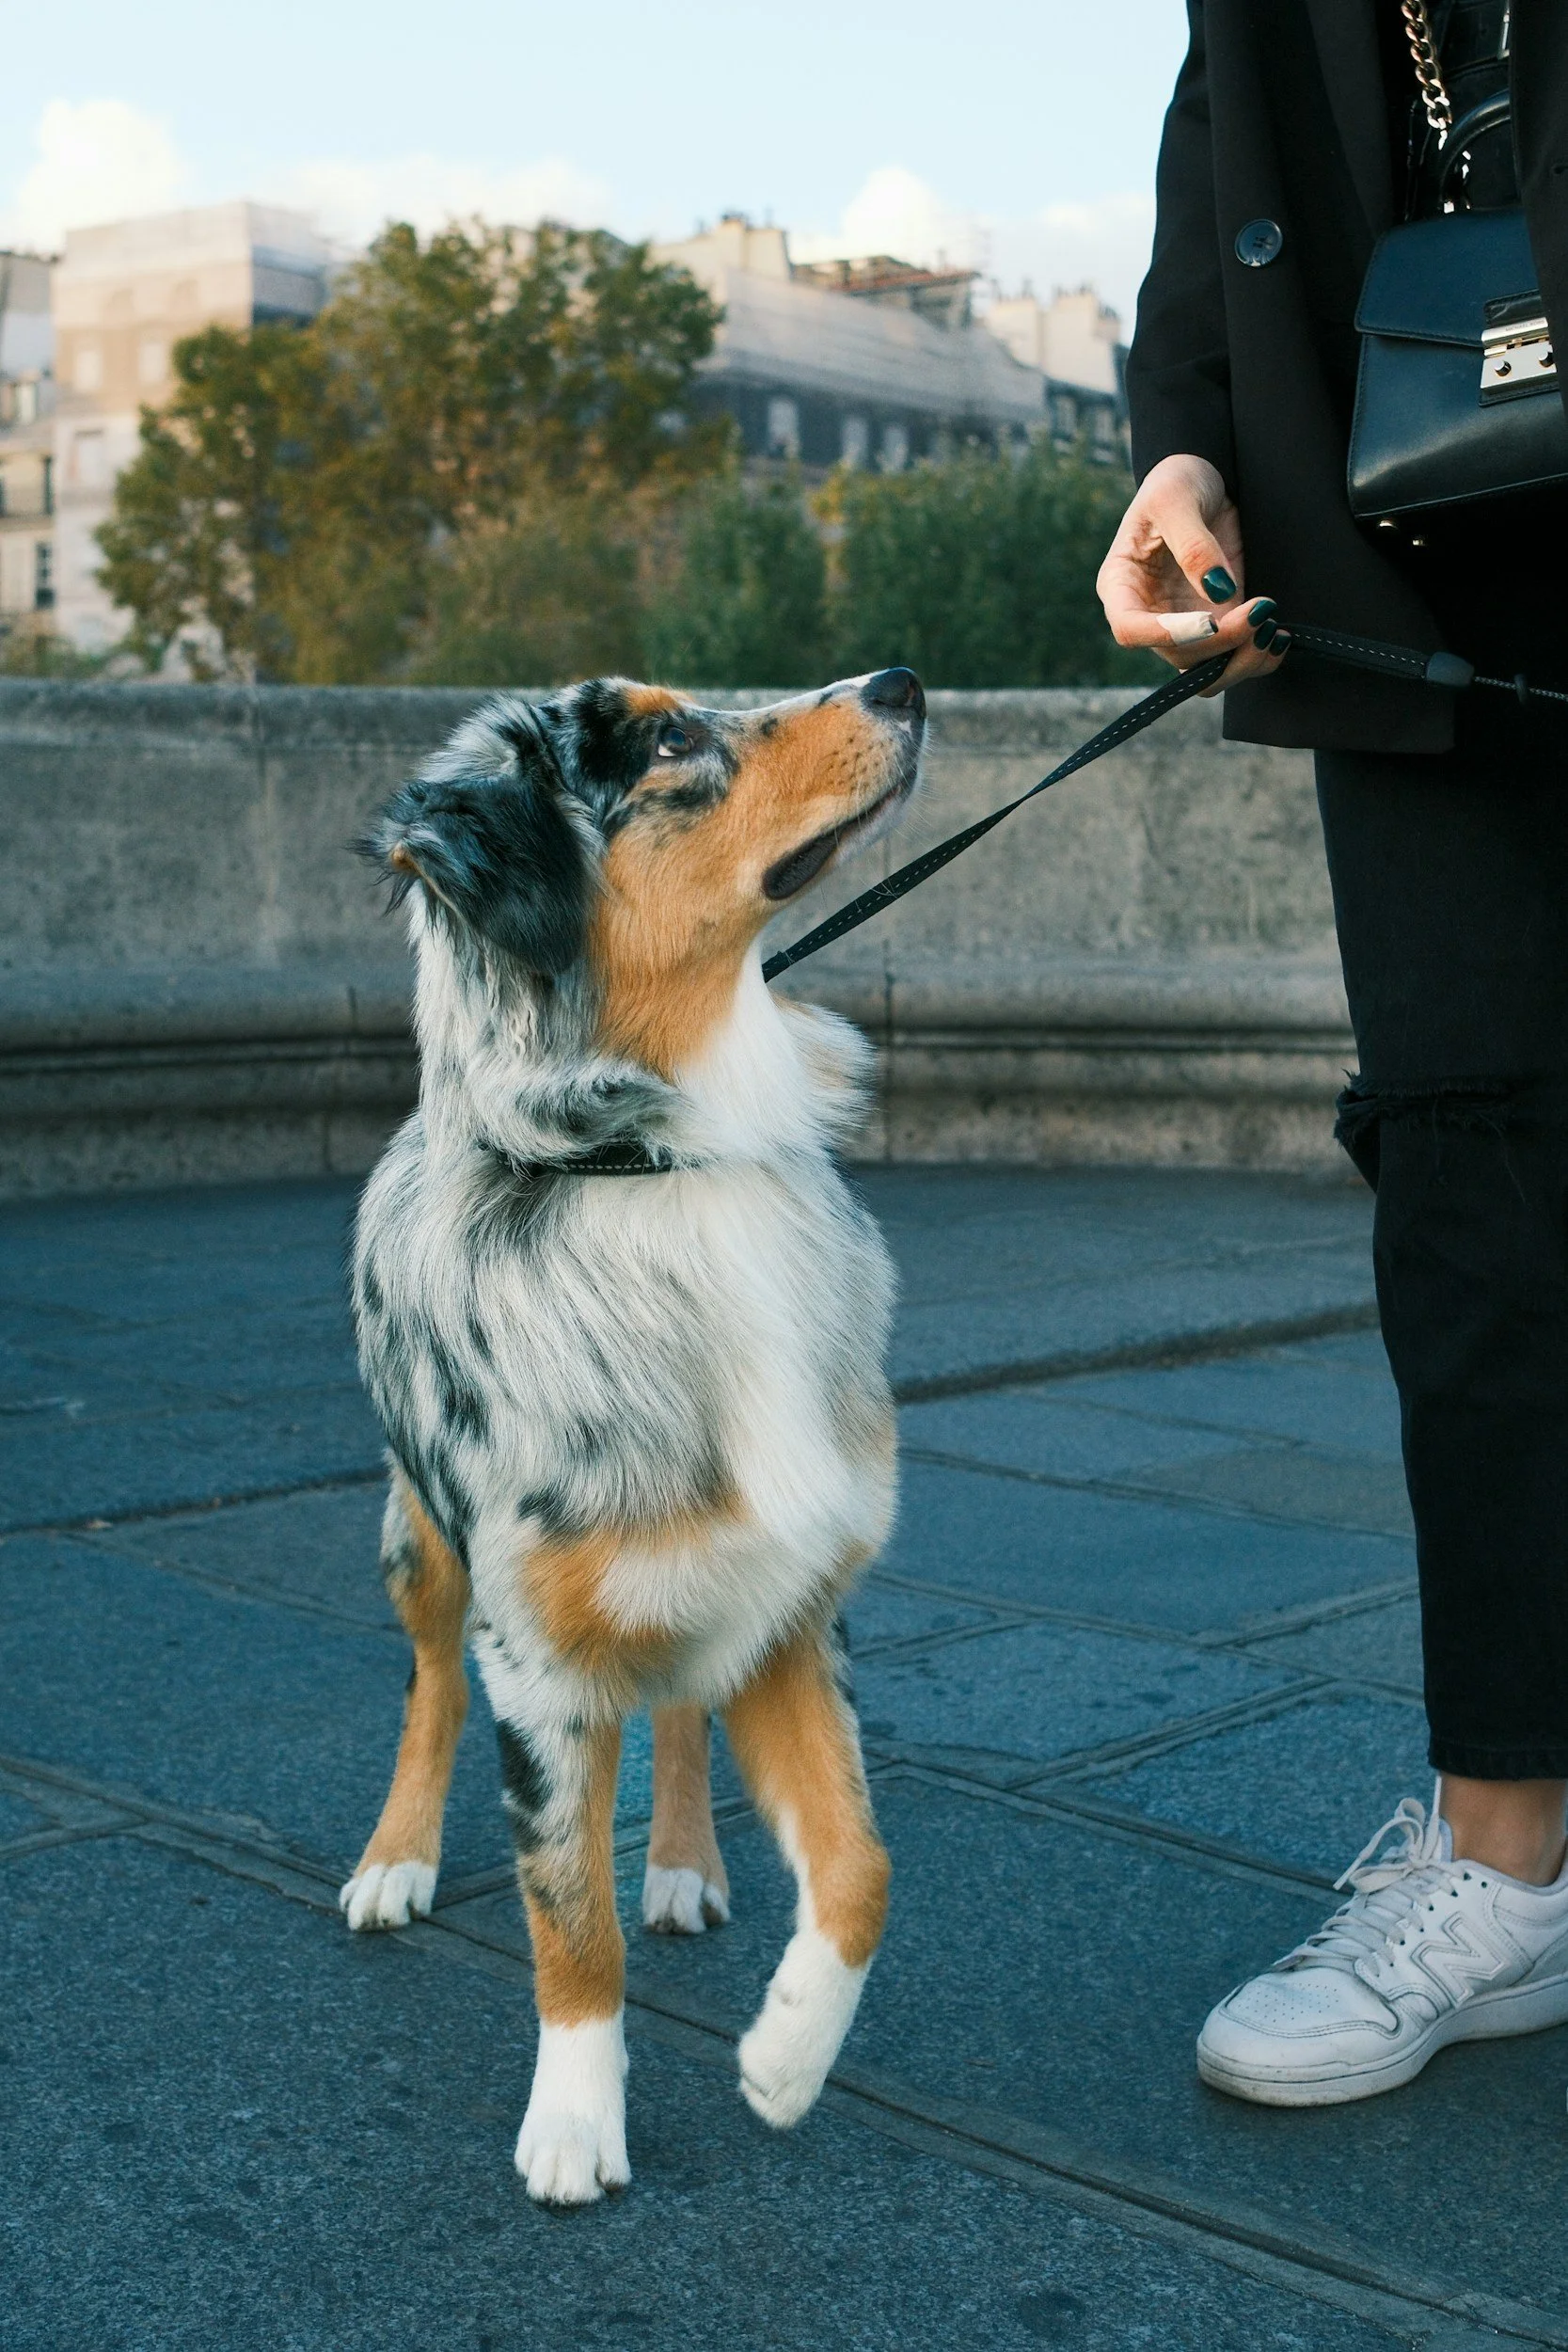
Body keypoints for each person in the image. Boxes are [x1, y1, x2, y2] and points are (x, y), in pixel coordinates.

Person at [1098, 0, 1568, 2106]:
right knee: (1465, 1189)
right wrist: (1185, 457)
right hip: (1408, 561)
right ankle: (1503, 1869)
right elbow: (1224, 203)